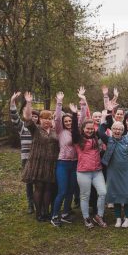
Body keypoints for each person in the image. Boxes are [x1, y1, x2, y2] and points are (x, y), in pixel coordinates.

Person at [98, 111, 128, 229]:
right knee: (115, 195)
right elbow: (100, 131)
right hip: (113, 171)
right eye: (115, 129)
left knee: (127, 194)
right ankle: (118, 218)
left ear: (123, 131)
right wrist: (103, 118)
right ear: (112, 130)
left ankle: (127, 218)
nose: (117, 131)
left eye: (120, 129)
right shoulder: (109, 140)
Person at [70, 89, 107, 229]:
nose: (90, 130)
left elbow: (102, 126)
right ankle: (86, 218)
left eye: (92, 128)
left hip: (97, 171)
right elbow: (74, 128)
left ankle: (99, 216)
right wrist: (75, 113)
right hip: (83, 172)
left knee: (103, 192)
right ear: (83, 129)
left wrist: (105, 114)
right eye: (88, 128)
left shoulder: (96, 138)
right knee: (85, 196)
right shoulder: (78, 139)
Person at [21, 92, 59, 222]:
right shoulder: (35, 129)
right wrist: (29, 102)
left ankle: (46, 211)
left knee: (48, 188)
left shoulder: (55, 131)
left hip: (51, 164)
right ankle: (38, 214)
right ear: (40, 119)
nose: (47, 120)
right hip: (38, 164)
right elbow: (27, 117)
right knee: (39, 188)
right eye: (44, 118)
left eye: (49, 118)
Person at [50, 90, 84, 227]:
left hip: (75, 164)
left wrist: (82, 101)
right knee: (63, 190)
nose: (69, 122)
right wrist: (59, 103)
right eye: (67, 121)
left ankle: (65, 213)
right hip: (63, 164)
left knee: (71, 190)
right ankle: (54, 215)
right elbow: (57, 118)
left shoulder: (76, 132)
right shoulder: (60, 131)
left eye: (70, 120)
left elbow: (81, 119)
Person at [10, 91, 37, 214]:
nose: (34, 118)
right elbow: (15, 117)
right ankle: (30, 204)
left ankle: (39, 202)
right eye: (33, 116)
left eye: (36, 117)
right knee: (29, 182)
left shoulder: (41, 130)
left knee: (39, 182)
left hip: (38, 159)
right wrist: (12, 102)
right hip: (27, 159)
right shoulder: (23, 128)